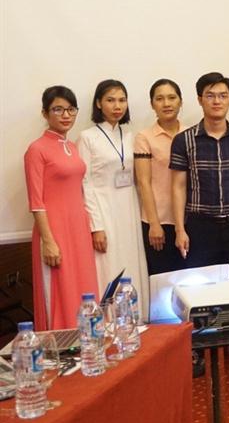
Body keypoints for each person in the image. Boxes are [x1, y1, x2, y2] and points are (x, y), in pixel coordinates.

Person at [170, 72, 229, 280]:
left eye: (223, 96)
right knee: (204, 287)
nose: (217, 101)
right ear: (200, 100)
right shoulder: (183, 140)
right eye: (210, 96)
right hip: (201, 226)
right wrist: (180, 230)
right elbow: (178, 187)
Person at [24, 86, 99, 330]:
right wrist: (48, 241)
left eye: (70, 109)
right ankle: (62, 342)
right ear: (45, 113)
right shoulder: (36, 149)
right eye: (58, 109)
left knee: (83, 287)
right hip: (54, 230)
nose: (66, 115)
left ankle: (86, 339)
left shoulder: (72, 147)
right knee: (60, 288)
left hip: (78, 228)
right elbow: (36, 201)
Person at [78, 79, 149, 316]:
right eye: (110, 100)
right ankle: (108, 323)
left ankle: (135, 319)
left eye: (121, 100)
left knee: (132, 263)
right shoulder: (87, 137)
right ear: (99, 103)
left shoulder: (129, 136)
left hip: (129, 209)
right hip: (104, 210)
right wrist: (95, 226)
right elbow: (85, 183)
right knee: (108, 267)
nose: (117, 106)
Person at [135, 78, 187, 275]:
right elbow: (143, 182)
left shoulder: (191, 133)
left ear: (181, 102)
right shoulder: (144, 137)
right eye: (160, 99)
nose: (166, 103)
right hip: (159, 221)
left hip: (188, 220)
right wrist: (154, 224)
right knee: (162, 280)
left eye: (172, 98)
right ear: (152, 104)